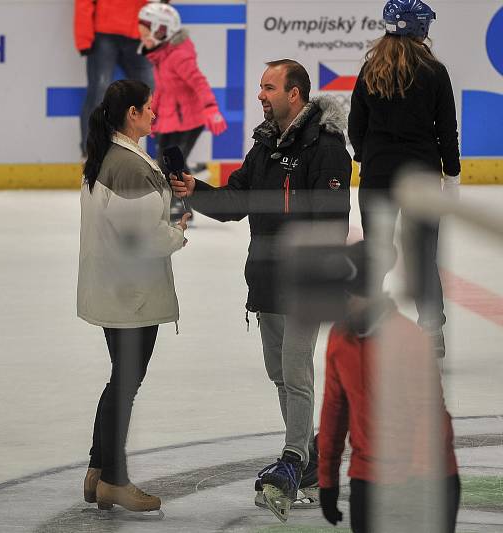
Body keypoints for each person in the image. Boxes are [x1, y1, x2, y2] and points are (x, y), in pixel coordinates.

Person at [171, 60, 351, 519]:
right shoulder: (265, 144)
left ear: (295, 94)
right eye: (259, 87)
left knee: (295, 371)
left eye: (268, 88)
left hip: (304, 282)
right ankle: (308, 458)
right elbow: (237, 201)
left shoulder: (326, 148)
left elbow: (331, 225)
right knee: (279, 372)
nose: (260, 95)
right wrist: (195, 190)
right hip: (266, 278)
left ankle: (293, 459)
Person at [77, 79, 189, 513]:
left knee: (121, 380)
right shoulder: (127, 165)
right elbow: (140, 236)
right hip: (131, 294)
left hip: (119, 289)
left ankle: (98, 470)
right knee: (125, 383)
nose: (154, 115)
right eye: (148, 108)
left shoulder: (114, 157)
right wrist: (177, 232)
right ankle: (113, 480)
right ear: (132, 115)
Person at [318, 241, 460, 532]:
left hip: (427, 479)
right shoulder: (339, 341)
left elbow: (429, 415)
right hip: (368, 474)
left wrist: (417, 484)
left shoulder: (409, 339)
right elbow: (334, 410)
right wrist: (328, 481)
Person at [348, 0, 459, 359]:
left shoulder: (369, 71)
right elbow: (446, 130)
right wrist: (452, 175)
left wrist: (369, 156)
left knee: (376, 252)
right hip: (421, 176)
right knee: (424, 256)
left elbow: (355, 126)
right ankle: (432, 329)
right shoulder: (434, 72)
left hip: (378, 175)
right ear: (421, 28)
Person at [137, 2, 227, 220]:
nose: (142, 38)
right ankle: (179, 200)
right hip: (172, 119)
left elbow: (199, 83)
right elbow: (164, 91)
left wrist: (211, 108)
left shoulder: (178, 56)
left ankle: (180, 204)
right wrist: (153, 115)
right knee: (164, 162)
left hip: (189, 120)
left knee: (172, 164)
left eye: (146, 33)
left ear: (161, 31)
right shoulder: (161, 55)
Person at [75, 0, 156, 156]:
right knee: (99, 92)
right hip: (105, 33)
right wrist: (83, 38)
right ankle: (91, 154)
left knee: (150, 95)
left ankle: (158, 156)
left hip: (138, 32)